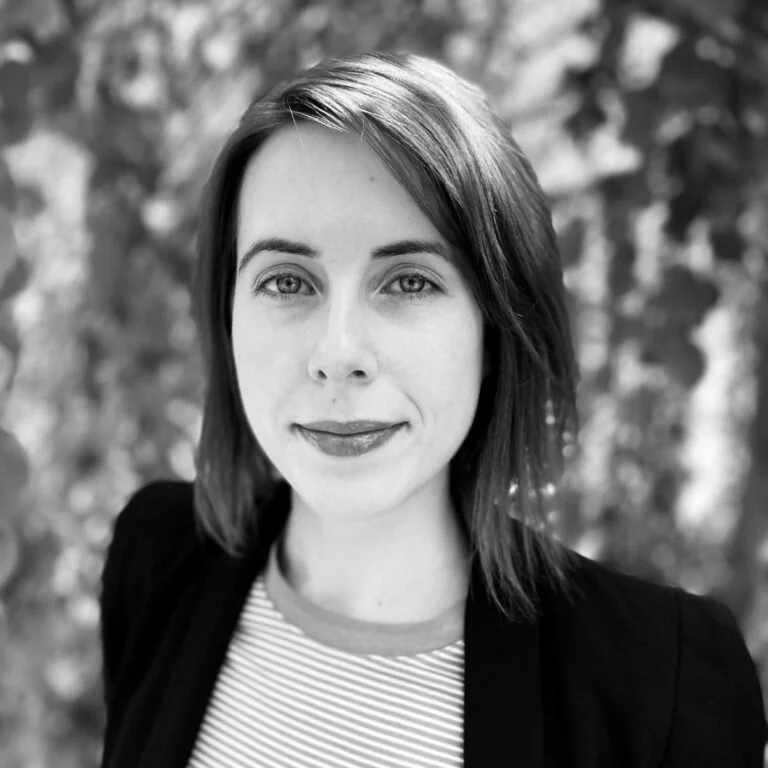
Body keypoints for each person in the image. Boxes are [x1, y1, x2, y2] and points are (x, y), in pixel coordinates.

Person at [98, 51, 767, 768]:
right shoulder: (157, 557)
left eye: (409, 282)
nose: (338, 351)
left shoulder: (663, 685)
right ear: (226, 313)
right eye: (287, 280)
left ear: (495, 329)